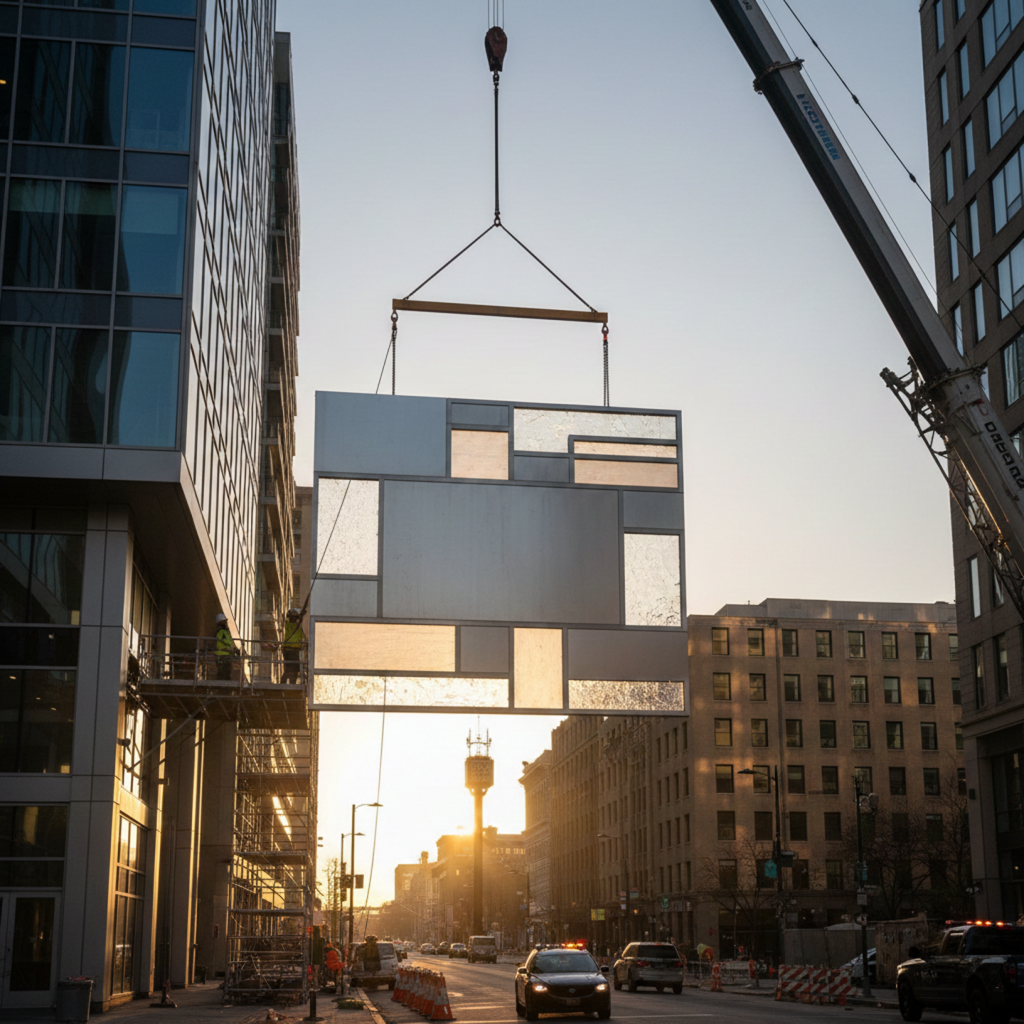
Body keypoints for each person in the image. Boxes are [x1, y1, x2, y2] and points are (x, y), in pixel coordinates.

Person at [281, 607, 305, 684]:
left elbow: (302, 638)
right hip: (289, 650)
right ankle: (283, 684)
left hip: (294, 651)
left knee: (293, 670)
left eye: (294, 617)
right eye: (292, 617)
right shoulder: (287, 625)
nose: (293, 619)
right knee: (289, 669)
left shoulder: (298, 627)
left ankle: (291, 684)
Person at [214, 612, 235, 680]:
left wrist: (234, 647)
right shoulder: (221, 632)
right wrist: (232, 648)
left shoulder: (225, 632)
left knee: (226, 672)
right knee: (222, 672)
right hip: (222, 655)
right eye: (224, 621)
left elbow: (230, 641)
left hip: (225, 655)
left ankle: (225, 685)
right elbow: (225, 641)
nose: (226, 623)